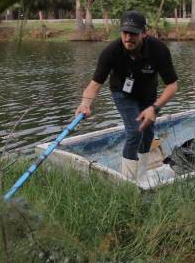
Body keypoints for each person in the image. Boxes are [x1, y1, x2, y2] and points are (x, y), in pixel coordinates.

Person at [75, 10, 178, 181]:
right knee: (135, 131)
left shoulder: (158, 49)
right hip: (122, 93)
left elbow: (172, 86)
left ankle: (142, 176)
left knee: (147, 134)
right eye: (125, 32)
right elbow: (94, 85)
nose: (128, 37)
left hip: (148, 96)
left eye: (133, 33)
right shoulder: (111, 51)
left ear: (144, 33)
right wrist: (85, 104)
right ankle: (128, 182)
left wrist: (155, 108)